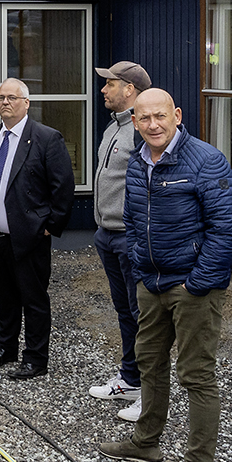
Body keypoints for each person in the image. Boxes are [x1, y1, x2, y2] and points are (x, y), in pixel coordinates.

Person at [98, 88, 232, 462]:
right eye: (144, 119)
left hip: (192, 288)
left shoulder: (205, 160)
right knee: (150, 363)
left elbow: (225, 230)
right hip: (152, 283)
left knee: (196, 375)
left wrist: (196, 283)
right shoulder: (139, 160)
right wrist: (143, 269)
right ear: (135, 121)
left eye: (160, 116)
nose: (153, 125)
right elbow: (131, 217)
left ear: (176, 115)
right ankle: (146, 443)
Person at [0, 77, 76, 380]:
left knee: (34, 298)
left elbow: (63, 188)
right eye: (1, 97)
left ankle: (36, 358)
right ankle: (6, 348)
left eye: (12, 98)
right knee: (5, 295)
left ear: (26, 103)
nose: (5, 103)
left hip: (28, 237)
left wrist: (48, 226)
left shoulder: (45, 138)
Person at [88, 61, 152, 422]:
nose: (103, 90)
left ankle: (150, 391)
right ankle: (130, 379)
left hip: (130, 237)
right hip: (107, 234)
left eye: (109, 84)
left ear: (129, 89)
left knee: (144, 316)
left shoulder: (142, 130)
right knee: (126, 312)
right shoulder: (115, 128)